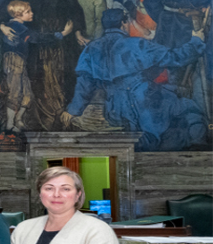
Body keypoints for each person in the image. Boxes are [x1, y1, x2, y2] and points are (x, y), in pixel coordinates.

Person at [63, 9, 207, 151]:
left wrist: (73, 110)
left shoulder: (91, 49)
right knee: (189, 108)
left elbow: (84, 85)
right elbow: (175, 57)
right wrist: (196, 41)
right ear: (123, 23)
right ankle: (197, 146)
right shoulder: (137, 44)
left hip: (115, 110)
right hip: (146, 101)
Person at [0, 1, 74, 132]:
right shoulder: (16, 26)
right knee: (14, 91)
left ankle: (18, 120)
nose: (32, 13)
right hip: (14, 60)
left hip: (20, 62)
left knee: (27, 93)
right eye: (28, 12)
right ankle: (10, 124)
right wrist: (62, 34)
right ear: (18, 14)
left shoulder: (18, 26)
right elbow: (37, 37)